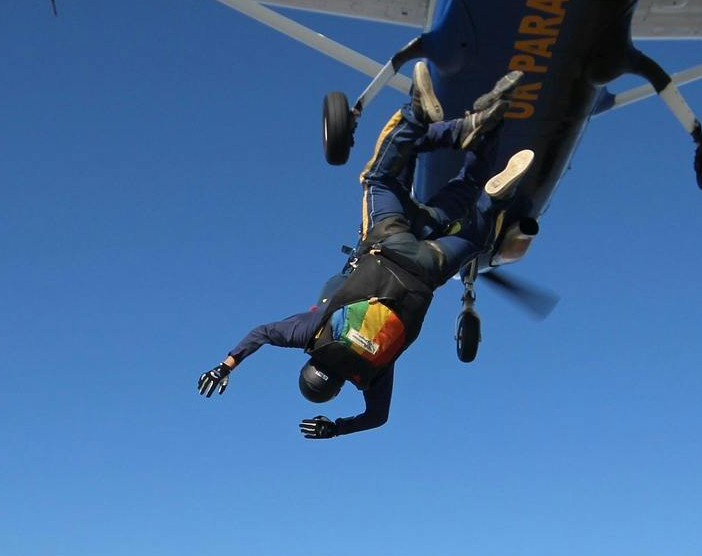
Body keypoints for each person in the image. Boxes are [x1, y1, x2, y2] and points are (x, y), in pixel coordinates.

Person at [196, 65, 532, 438]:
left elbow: (378, 418)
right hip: (389, 242)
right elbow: (260, 333)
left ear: (338, 388)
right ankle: (419, 115)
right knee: (380, 177)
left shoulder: (370, 374)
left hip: (430, 268)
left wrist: (338, 428)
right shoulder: (311, 334)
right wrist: (224, 366)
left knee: (475, 227)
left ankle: (494, 191)